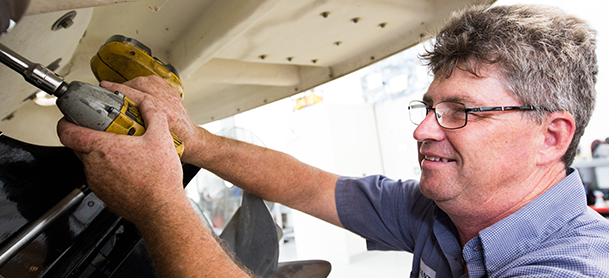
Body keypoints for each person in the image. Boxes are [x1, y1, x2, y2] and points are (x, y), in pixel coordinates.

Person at [57, 4, 609, 278]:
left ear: (551, 136)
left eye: (460, 112)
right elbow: (306, 184)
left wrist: (158, 205)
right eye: (428, 108)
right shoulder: (445, 214)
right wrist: (191, 140)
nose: (422, 130)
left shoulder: (573, 267)